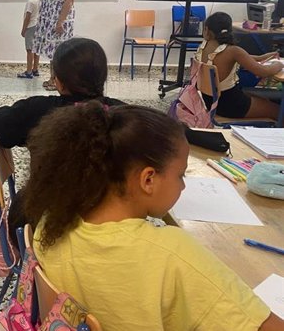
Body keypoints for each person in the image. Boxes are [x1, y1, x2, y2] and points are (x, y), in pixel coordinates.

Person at [20, 102, 283, 330]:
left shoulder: (51, 222)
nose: (183, 186)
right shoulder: (171, 255)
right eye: (181, 175)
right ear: (148, 179)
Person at [0, 37, 124, 150]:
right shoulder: (125, 115)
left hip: (47, 188)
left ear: (58, 81)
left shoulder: (38, 110)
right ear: (103, 76)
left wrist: (30, 138)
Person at [197, 12, 283, 120]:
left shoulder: (204, 46)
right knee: (279, 110)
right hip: (232, 105)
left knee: (264, 99)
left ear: (207, 30)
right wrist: (278, 64)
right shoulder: (233, 51)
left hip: (211, 102)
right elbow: (263, 72)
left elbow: (243, 58)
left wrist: (261, 57)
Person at [32, 0, 79, 91]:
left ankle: (60, 80)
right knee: (53, 51)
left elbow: (69, 0)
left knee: (60, 51)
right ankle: (53, 78)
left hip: (59, 18)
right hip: (48, 17)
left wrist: (60, 21)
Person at [18, 0, 44, 79]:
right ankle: (35, 69)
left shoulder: (30, 2)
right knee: (36, 49)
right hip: (38, 26)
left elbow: (27, 17)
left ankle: (28, 72)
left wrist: (23, 30)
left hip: (31, 27)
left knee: (29, 50)